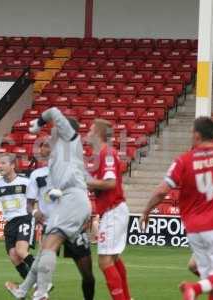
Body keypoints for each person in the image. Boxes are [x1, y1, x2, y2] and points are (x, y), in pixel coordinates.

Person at [5, 107, 92, 300]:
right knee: (46, 249)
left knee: (49, 246)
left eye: (55, 131)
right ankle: (23, 290)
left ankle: (42, 293)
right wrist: (54, 193)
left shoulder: (70, 139)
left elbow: (53, 110)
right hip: (68, 203)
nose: (51, 134)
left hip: (73, 201)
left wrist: (38, 123)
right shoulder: (57, 157)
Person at [140, 116, 213, 300]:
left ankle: (198, 287)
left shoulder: (183, 161)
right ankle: (194, 288)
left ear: (197, 135)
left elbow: (162, 191)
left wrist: (146, 210)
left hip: (194, 230)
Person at [85, 119, 132, 300]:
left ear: (98, 134)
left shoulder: (107, 153)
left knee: (105, 261)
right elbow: (102, 183)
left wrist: (87, 182)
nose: (87, 133)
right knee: (113, 259)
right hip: (113, 211)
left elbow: (111, 183)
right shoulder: (102, 154)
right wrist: (92, 185)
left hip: (113, 211)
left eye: (90, 130)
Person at [0, 154, 35, 280]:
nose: (0, 166)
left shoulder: (25, 182)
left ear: (12, 165)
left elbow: (36, 200)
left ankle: (43, 276)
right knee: (14, 257)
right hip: (10, 224)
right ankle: (33, 283)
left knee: (21, 251)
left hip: (24, 219)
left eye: (3, 163)